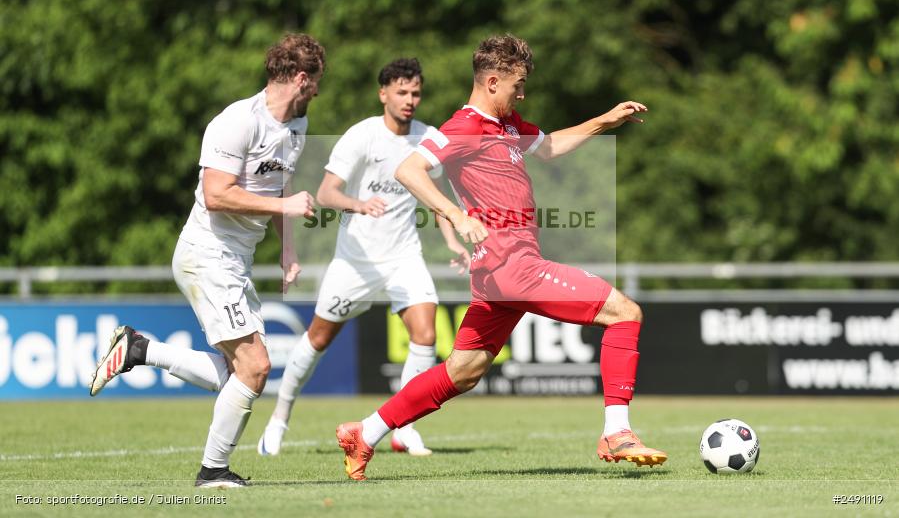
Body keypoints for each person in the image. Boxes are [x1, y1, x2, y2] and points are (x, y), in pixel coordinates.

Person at [335, 34, 667, 481]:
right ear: (492, 82)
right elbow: (407, 170)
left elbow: (549, 147)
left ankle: (365, 432)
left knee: (463, 371)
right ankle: (617, 431)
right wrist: (455, 214)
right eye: (518, 85)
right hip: (513, 267)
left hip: (499, 275)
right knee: (625, 313)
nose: (523, 93)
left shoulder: (508, 127)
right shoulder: (462, 127)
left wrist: (604, 121)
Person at [88, 33, 325, 488]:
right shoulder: (237, 121)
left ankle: (141, 350)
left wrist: (288, 252)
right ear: (300, 78)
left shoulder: (297, 127)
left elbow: (278, 192)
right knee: (254, 368)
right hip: (206, 254)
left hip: (234, 260)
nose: (318, 90)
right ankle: (212, 471)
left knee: (244, 372)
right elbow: (217, 195)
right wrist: (287, 208)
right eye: (315, 81)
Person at [257, 58, 470, 458]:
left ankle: (404, 429)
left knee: (426, 333)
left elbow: (437, 199)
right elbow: (325, 193)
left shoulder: (428, 137)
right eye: (402, 92)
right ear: (383, 94)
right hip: (355, 262)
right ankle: (278, 420)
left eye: (416, 93)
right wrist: (358, 204)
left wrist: (453, 241)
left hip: (404, 257)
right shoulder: (362, 136)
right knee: (317, 339)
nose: (410, 100)